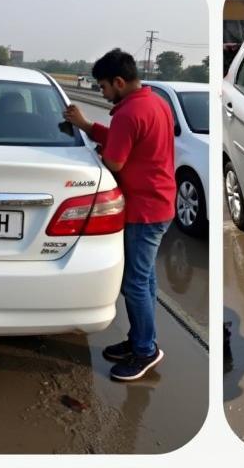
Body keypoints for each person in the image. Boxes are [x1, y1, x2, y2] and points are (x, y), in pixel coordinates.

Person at [64, 49, 175, 382]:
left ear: (118, 81)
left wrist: (98, 148)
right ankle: (140, 340)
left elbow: (114, 162)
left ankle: (145, 351)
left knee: (134, 285)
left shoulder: (128, 114)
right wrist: (87, 126)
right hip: (160, 203)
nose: (102, 92)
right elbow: (128, 141)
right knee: (146, 280)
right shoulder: (154, 103)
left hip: (144, 210)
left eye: (102, 87)